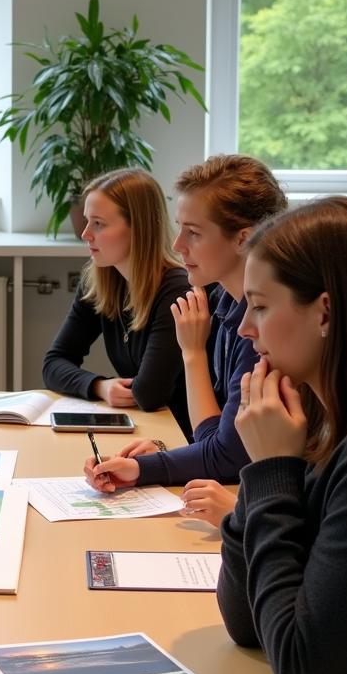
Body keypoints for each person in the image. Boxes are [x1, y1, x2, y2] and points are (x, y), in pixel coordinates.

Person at [217, 197, 347, 674]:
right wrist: (261, 483)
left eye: (259, 306)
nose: (243, 329)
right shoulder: (321, 419)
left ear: (326, 312)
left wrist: (268, 473)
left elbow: (302, 667)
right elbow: (244, 619)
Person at [85, 155, 286, 528]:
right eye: (179, 229)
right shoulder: (224, 303)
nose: (177, 245)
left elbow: (226, 456)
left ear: (243, 239)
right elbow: (210, 437)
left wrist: (145, 467)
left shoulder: (262, 327)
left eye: (193, 232)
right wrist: (163, 456)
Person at [42, 169, 191, 435]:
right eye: (87, 221)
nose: (85, 234)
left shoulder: (176, 288)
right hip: (145, 429)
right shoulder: (100, 281)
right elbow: (53, 363)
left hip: (180, 435)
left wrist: (111, 389)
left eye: (98, 224)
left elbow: (148, 393)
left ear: (139, 228)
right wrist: (100, 386)